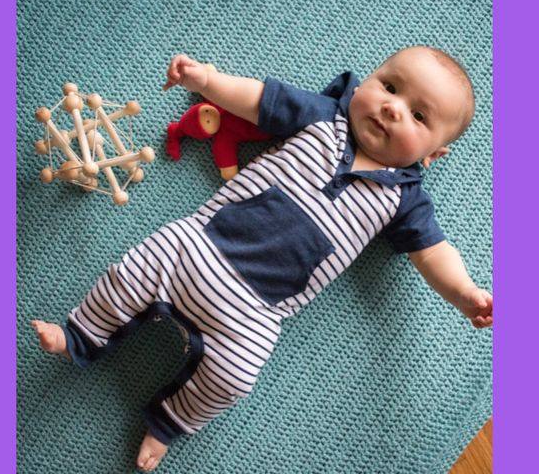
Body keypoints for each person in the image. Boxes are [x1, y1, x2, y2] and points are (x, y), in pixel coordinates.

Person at [32, 47, 493, 471]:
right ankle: (79, 334)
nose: (392, 107)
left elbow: (434, 253)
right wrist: (207, 80)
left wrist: (464, 293)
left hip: (256, 311)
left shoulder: (404, 200)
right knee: (129, 274)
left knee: (234, 378)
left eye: (417, 115)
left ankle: (169, 421)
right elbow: (256, 99)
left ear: (434, 154)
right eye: (389, 87)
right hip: (196, 244)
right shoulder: (324, 116)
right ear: (366, 82)